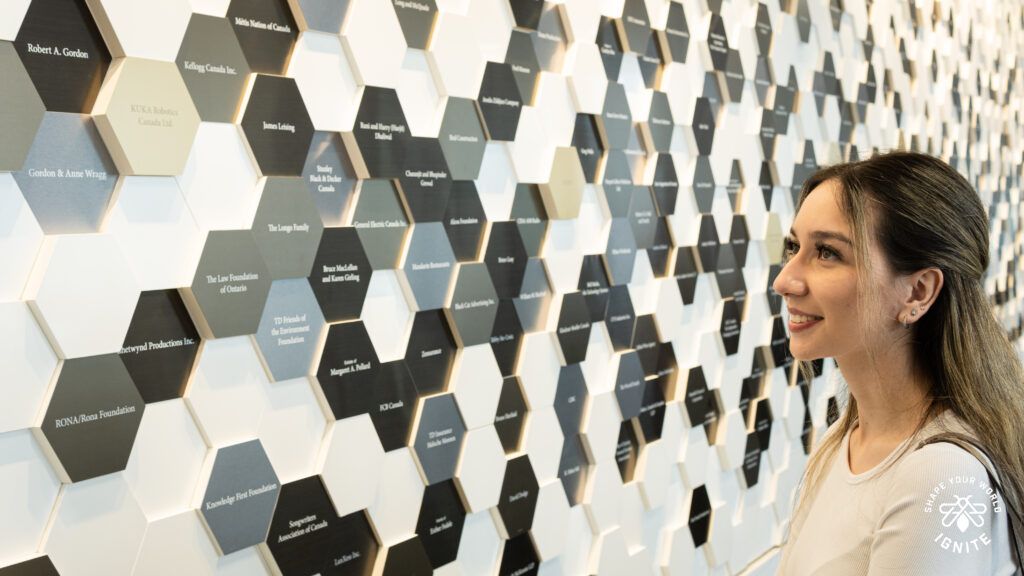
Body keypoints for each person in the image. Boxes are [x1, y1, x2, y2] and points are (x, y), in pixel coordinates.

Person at [772, 151, 1024, 575]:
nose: (785, 281)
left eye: (828, 253)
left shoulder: (939, 476)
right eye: (794, 247)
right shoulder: (843, 440)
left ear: (919, 292)